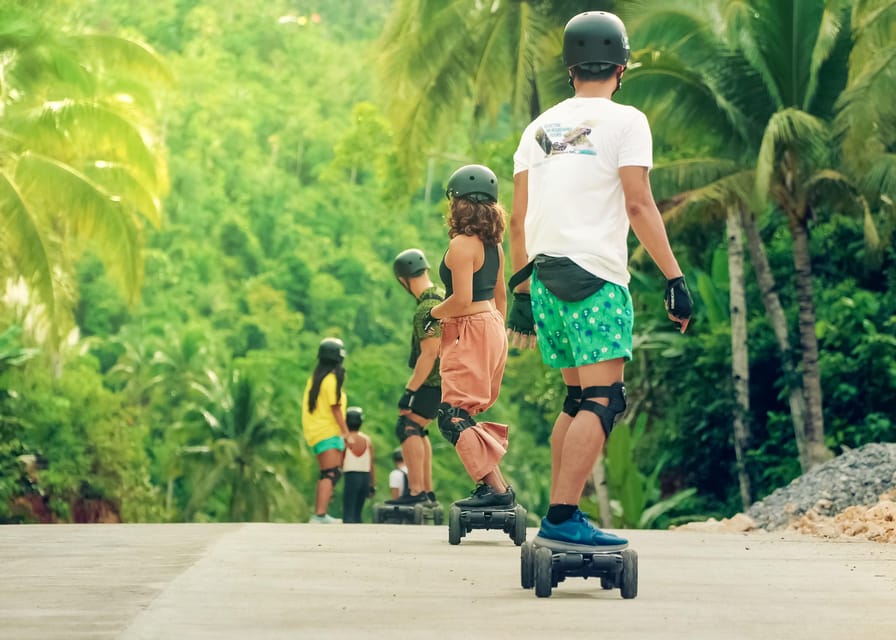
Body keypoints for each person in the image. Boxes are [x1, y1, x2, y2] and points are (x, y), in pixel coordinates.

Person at [507, 11, 693, 548]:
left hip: (543, 278)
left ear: (570, 69)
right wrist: (674, 278)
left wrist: (521, 295)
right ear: (622, 66)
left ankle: (559, 513)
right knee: (603, 400)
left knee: (575, 402)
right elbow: (638, 203)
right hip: (594, 277)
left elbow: (517, 220)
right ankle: (563, 517)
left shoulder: (537, 129)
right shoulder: (627, 122)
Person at [425, 164, 516, 509]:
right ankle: (494, 486)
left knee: (452, 415)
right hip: (491, 325)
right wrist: (496, 336)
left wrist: (433, 314)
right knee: (462, 413)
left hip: (471, 328)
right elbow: (501, 296)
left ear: (458, 203)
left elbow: (461, 300)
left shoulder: (462, 245)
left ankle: (496, 490)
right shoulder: (493, 246)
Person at [387, 248, 443, 506]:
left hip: (433, 381)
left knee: (407, 425)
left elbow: (429, 353)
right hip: (445, 378)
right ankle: (427, 492)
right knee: (418, 427)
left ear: (403, 281)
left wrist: (409, 391)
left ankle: (417, 492)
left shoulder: (426, 310)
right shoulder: (442, 296)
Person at [302, 337, 354, 524]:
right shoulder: (331, 380)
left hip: (318, 431)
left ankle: (320, 514)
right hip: (327, 431)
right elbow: (335, 408)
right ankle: (320, 515)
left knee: (329, 472)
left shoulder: (316, 378)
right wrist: (346, 433)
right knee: (330, 473)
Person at [341, 406, 376, 524]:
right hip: (365, 477)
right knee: (358, 512)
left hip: (351, 476)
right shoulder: (367, 439)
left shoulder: (345, 440)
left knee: (348, 511)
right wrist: (372, 484)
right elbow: (371, 464)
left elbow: (341, 460)